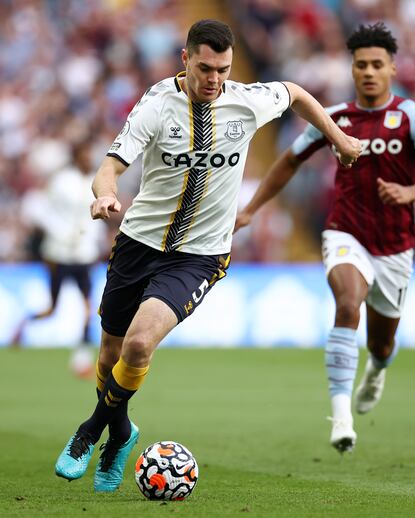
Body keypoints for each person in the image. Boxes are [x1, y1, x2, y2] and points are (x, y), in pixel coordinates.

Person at [53, 19, 361, 492]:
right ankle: (121, 432)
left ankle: (91, 431)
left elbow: (296, 92)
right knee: (110, 351)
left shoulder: (247, 101)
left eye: (223, 69)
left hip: (198, 256)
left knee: (138, 345)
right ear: (185, 59)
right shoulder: (156, 106)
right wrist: (105, 196)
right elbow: (108, 170)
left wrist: (337, 138)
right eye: (205, 68)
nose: (214, 79)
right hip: (137, 244)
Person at [235, 22, 415, 454]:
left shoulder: (411, 117)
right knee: (347, 302)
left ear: (392, 68)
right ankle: (340, 417)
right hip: (345, 231)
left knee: (382, 342)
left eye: (377, 64)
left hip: (395, 244)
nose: (369, 72)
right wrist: (250, 209)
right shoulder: (333, 118)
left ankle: (377, 368)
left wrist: (410, 192)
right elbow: (288, 161)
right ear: (351, 69)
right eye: (361, 65)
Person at [13, 140, 106, 378]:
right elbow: (43, 212)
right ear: (76, 157)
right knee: (52, 308)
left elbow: (95, 218)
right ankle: (24, 324)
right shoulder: (62, 182)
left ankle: (82, 359)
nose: (89, 159)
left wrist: (92, 241)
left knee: (88, 308)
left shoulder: (95, 182)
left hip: (83, 255)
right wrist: (62, 233)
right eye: (85, 154)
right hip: (59, 253)